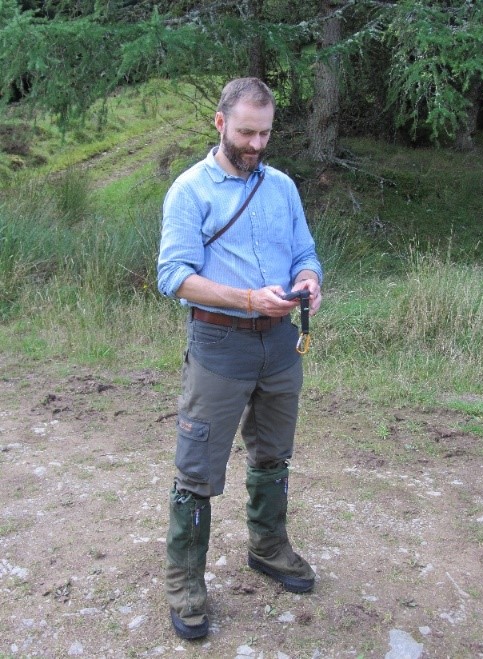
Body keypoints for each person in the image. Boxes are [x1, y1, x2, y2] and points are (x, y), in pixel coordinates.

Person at [157, 77, 323, 640]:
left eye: (265, 132)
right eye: (246, 131)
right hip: (219, 346)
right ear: (220, 123)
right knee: (197, 469)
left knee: (273, 455)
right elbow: (173, 276)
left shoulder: (281, 187)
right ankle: (185, 583)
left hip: (280, 345)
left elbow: (304, 252)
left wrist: (308, 279)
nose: (255, 144)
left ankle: (269, 549)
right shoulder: (189, 190)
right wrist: (247, 299)